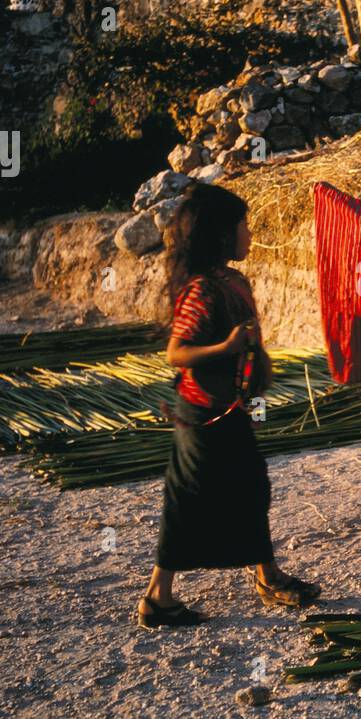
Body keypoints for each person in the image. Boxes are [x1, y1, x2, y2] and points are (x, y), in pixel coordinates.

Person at [136, 183, 319, 627]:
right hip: (202, 415)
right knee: (189, 498)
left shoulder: (232, 281)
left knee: (251, 487)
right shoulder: (202, 290)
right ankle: (156, 598)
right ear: (221, 234)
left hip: (232, 408)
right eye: (244, 226)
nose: (250, 235)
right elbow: (177, 353)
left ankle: (267, 576)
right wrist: (226, 346)